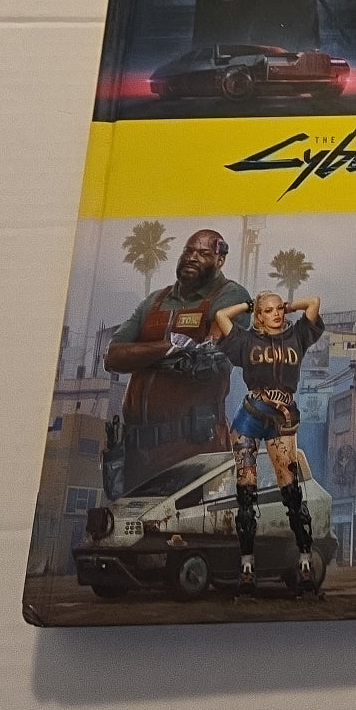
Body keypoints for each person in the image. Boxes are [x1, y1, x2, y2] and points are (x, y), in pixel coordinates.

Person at [103, 230, 251, 495]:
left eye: (203, 253)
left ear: (220, 260)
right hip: (137, 455)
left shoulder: (231, 296)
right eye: (188, 251)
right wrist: (169, 348)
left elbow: (206, 358)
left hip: (194, 452)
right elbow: (113, 357)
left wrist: (141, 355)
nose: (192, 258)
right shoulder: (155, 301)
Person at [213, 290, 324, 591]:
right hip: (250, 415)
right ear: (259, 316)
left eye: (279, 309)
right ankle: (247, 566)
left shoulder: (297, 335)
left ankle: (304, 561)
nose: (276, 314)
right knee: (246, 493)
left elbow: (314, 302)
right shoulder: (246, 341)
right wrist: (249, 305)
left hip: (283, 417)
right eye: (269, 310)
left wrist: (289, 305)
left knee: (291, 489)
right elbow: (221, 316)